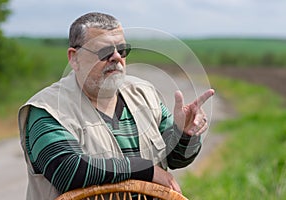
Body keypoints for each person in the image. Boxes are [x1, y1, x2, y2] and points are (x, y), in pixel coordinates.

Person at [18, 12, 214, 200]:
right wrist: (146, 170)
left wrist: (185, 134)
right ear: (74, 58)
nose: (116, 58)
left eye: (122, 50)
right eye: (104, 52)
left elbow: (176, 159)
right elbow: (67, 171)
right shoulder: (47, 109)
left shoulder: (145, 94)